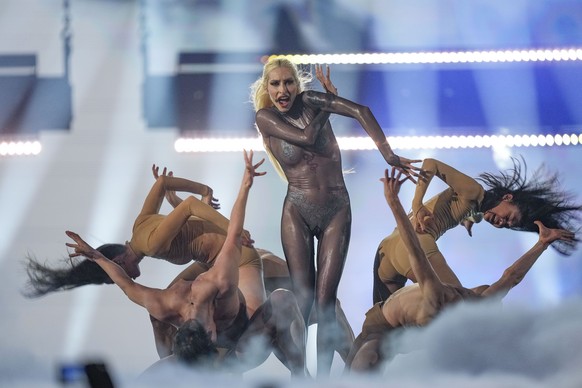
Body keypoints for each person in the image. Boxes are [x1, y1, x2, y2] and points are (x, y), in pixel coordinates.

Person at [64, 151, 308, 376]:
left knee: (272, 301)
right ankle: (190, 367)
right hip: (213, 267)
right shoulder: (193, 287)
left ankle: (298, 374)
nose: (136, 275)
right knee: (156, 355)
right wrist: (96, 256)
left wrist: (239, 189)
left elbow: (126, 283)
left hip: (237, 323)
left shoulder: (174, 293)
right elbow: (126, 282)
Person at [249, 58, 421, 376]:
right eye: (275, 84)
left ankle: (323, 381)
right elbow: (306, 139)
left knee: (325, 303)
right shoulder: (266, 117)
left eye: (288, 82)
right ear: (267, 88)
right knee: (303, 303)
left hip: (336, 210)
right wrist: (328, 106)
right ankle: (299, 376)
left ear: (297, 86)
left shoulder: (311, 101)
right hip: (296, 211)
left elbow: (362, 111)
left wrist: (389, 154)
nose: (282, 89)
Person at [345, 167, 577, 372]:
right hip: (385, 318)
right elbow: (509, 278)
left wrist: (542, 243)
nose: (475, 290)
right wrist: (395, 203)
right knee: (370, 356)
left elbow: (511, 277)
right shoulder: (463, 299)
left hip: (390, 268)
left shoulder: (450, 299)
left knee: (377, 356)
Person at [24, 164, 267, 317]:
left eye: (119, 275)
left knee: (254, 316)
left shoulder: (151, 244)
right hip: (211, 260)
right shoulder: (138, 226)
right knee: (168, 304)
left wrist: (233, 227)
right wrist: (176, 201)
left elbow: (190, 206)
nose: (127, 278)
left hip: (238, 256)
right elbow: (162, 184)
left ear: (119, 260)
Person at [373, 157, 582, 304]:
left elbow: (471, 210)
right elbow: (431, 163)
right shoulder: (474, 191)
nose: (500, 223)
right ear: (507, 197)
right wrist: (417, 203)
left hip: (387, 249)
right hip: (416, 245)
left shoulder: (475, 207)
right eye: (507, 217)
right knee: (464, 309)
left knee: (381, 330)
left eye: (506, 225)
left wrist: (471, 218)